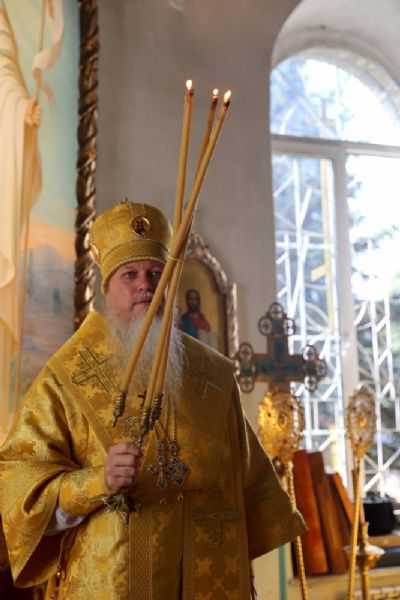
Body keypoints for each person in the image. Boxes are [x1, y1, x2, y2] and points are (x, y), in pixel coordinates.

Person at [0, 200, 305, 600]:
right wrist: (97, 481)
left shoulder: (214, 376)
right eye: (130, 274)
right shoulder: (65, 378)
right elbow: (18, 491)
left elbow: (247, 490)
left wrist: (245, 581)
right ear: (108, 288)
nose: (145, 285)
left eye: (156, 274)